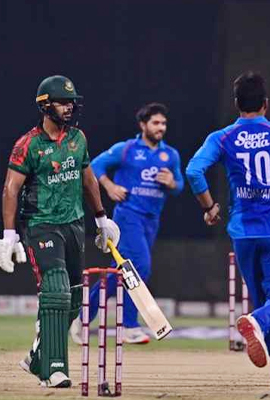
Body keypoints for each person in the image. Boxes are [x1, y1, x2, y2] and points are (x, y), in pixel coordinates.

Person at [186, 71, 270, 399]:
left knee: (263, 305)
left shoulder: (222, 137)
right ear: (266, 103)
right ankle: (256, 324)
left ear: (236, 103)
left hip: (243, 233)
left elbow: (194, 171)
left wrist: (210, 207)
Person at [0, 75, 120, 388]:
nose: (69, 107)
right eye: (62, 102)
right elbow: (11, 189)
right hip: (41, 225)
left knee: (74, 299)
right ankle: (53, 369)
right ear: (45, 106)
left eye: (71, 102)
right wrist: (9, 235)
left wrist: (102, 219)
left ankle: (36, 357)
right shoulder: (28, 144)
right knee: (56, 290)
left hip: (74, 224)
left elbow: (88, 180)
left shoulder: (78, 138)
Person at [69, 103, 183, 345]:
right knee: (140, 266)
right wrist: (110, 187)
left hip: (151, 220)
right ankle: (129, 326)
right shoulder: (127, 149)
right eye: (155, 123)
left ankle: (82, 316)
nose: (161, 127)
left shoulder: (170, 155)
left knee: (122, 272)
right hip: (128, 217)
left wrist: (172, 183)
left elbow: (180, 186)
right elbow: (94, 166)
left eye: (163, 123)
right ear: (143, 125)